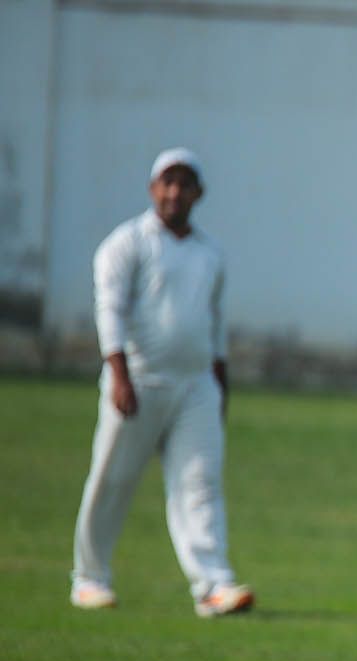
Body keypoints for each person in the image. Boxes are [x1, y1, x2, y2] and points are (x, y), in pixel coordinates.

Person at [70, 148, 254, 618]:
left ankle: (213, 585)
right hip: (139, 380)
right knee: (113, 479)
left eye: (184, 184)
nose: (175, 192)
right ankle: (90, 579)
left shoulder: (209, 254)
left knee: (200, 484)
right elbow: (110, 310)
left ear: (198, 193)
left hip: (195, 386)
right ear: (153, 188)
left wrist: (219, 387)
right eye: (167, 182)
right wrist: (119, 374)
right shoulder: (126, 244)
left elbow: (215, 327)